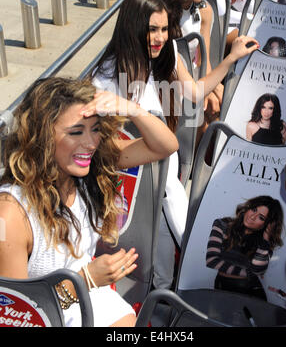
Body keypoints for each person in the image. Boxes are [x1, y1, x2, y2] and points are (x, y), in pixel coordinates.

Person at [90, 0, 259, 288]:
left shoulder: (165, 58)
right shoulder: (104, 80)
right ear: (132, 27)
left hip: (166, 184)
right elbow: (105, 150)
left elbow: (195, 92)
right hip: (129, 197)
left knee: (165, 273)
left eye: (164, 29)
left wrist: (231, 58)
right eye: (151, 29)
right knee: (147, 277)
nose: (159, 37)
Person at [0, 76, 179, 327]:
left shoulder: (86, 167)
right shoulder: (9, 215)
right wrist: (85, 280)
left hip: (90, 299)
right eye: (76, 132)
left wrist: (132, 109)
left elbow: (166, 146)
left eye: (95, 129)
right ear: (40, 137)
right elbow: (17, 315)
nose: (91, 143)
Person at [157, 0, 222, 137]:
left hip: (193, 78)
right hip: (168, 81)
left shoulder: (205, 11)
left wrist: (212, 88)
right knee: (203, 123)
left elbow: (204, 58)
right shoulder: (162, 10)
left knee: (218, 109)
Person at [206, 195, 284, 300]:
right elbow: (211, 260)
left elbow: (257, 270)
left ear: (266, 224)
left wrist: (265, 239)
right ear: (248, 207)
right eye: (254, 209)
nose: (252, 217)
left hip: (252, 291)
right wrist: (248, 272)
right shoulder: (222, 224)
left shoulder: (264, 241)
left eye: (261, 217)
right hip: (222, 285)